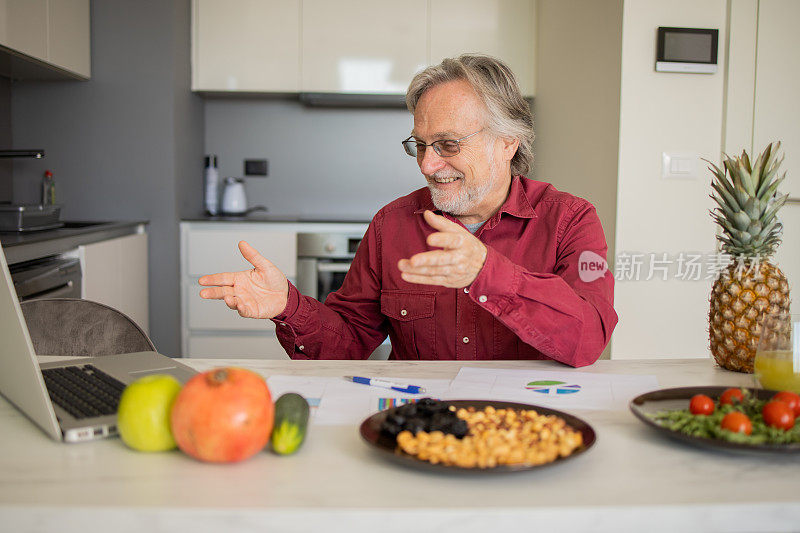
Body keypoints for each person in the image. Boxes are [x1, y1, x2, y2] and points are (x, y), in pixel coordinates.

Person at [199, 54, 617, 367]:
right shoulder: (391, 225)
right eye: (420, 145)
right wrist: (287, 308)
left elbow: (587, 340)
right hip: (417, 426)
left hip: (526, 426)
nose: (428, 165)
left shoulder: (571, 220)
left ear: (507, 142)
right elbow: (347, 345)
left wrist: (486, 272)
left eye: (449, 145)